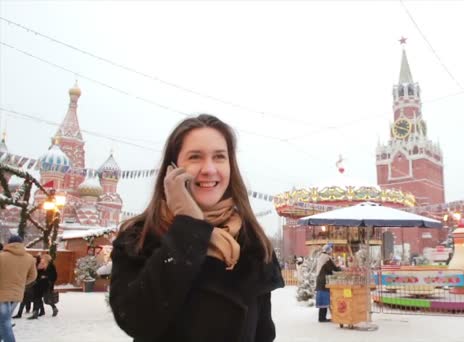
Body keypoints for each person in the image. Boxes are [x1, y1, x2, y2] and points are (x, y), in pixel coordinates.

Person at [109, 114, 284, 342]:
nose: (209, 169)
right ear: (172, 169)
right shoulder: (140, 237)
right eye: (195, 157)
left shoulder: (252, 241)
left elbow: (263, 334)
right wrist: (188, 227)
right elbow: (137, 320)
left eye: (219, 157)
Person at [0, 235, 37, 342]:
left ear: (9, 243)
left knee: (5, 321)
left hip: (2, 294)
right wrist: (21, 284)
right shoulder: (29, 258)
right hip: (17, 294)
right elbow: (33, 276)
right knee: (4, 320)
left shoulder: (2, 256)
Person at [315, 243, 340, 323]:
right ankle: (322, 318)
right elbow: (333, 268)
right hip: (323, 281)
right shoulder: (326, 258)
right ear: (328, 250)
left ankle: (321, 317)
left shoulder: (321, 257)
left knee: (322, 300)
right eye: (330, 250)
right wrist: (341, 270)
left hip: (320, 280)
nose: (331, 251)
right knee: (324, 299)